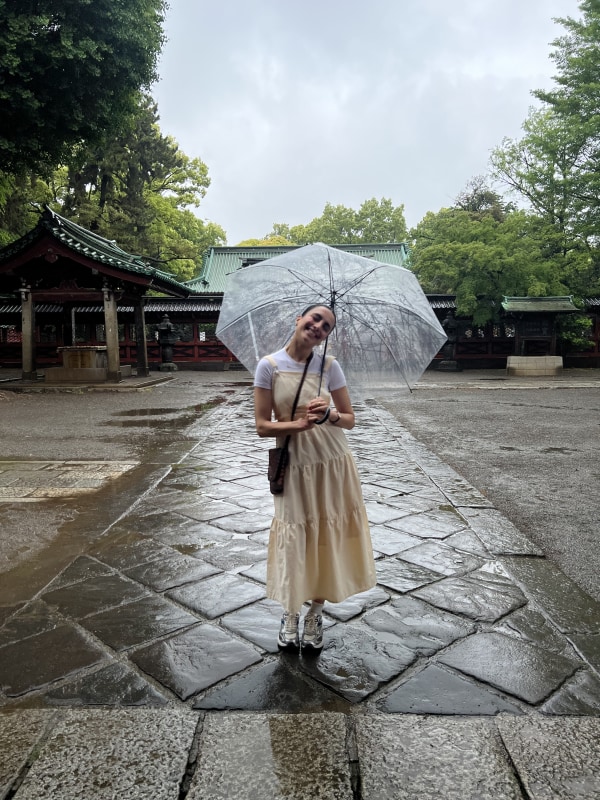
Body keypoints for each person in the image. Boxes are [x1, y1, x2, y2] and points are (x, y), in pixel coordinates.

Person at [253, 304, 376, 652]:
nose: (319, 326)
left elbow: (350, 419)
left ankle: (315, 613)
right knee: (294, 535)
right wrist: (299, 424)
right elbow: (262, 426)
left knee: (326, 534)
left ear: (325, 337)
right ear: (299, 319)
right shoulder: (269, 366)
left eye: (327, 326)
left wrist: (329, 416)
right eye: (315, 318)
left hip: (333, 462)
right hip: (294, 463)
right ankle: (291, 611)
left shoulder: (329, 366)